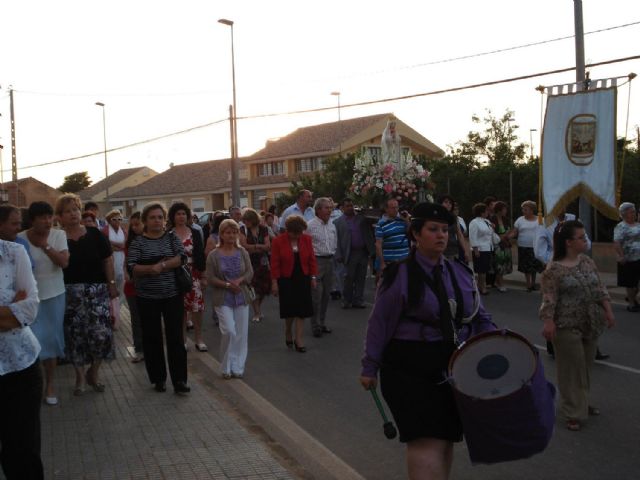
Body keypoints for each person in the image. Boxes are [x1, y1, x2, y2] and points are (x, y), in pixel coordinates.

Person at [360, 202, 495, 480]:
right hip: (409, 367)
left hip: (451, 365)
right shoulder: (399, 274)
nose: (441, 236)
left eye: (445, 230)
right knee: (426, 440)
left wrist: (499, 345)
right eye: (433, 229)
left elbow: (478, 316)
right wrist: (370, 366)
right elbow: (380, 322)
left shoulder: (458, 272)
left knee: (445, 438)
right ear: (416, 234)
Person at [540, 220, 615, 431]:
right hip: (566, 325)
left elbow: (600, 288)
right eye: (581, 237)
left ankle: (581, 402)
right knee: (571, 369)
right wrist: (548, 322)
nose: (585, 241)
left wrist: (608, 311)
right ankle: (573, 411)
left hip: (591, 322)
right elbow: (548, 298)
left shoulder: (587, 262)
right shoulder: (553, 269)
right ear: (569, 242)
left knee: (585, 367)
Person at [127, 203, 190, 395]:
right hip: (147, 298)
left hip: (172, 296)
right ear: (145, 221)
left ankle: (179, 380)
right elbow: (131, 266)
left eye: (160, 217)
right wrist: (148, 269)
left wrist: (161, 266)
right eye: (153, 217)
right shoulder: (138, 243)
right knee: (152, 338)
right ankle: (158, 379)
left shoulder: (171, 238)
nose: (157, 221)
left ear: (164, 220)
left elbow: (182, 257)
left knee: (175, 338)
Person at [57, 193, 116, 396]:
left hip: (97, 291)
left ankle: (94, 372)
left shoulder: (95, 234)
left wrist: (111, 284)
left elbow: (107, 259)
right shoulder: (57, 238)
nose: (73, 214)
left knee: (101, 335)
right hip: (69, 293)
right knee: (75, 337)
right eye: (67, 211)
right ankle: (80, 377)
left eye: (75, 209)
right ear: (60, 216)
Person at [18, 202, 69, 406]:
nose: (48, 221)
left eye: (50, 217)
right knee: (31, 342)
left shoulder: (58, 235)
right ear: (32, 220)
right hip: (29, 299)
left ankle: (49, 385)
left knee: (51, 341)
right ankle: (32, 385)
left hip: (55, 295)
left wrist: (45, 245)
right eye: (42, 217)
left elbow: (64, 262)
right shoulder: (20, 238)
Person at [0, 237, 42, 480]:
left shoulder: (14, 253)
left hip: (20, 366)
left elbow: (29, 310)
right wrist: (8, 310)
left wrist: (17, 312)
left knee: (23, 454)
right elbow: (15, 314)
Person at [206, 219, 253, 378]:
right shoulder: (214, 255)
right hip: (223, 297)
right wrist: (227, 285)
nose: (231, 235)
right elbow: (210, 277)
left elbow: (249, 272)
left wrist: (239, 281)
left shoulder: (242, 252)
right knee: (229, 331)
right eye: (228, 232)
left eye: (234, 232)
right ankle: (225, 366)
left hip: (241, 295)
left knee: (241, 333)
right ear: (221, 235)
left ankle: (237, 366)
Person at [271, 215, 317, 352]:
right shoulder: (278, 241)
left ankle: (299, 339)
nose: (297, 236)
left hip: (303, 277)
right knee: (289, 310)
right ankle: (288, 331)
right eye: (294, 233)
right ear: (288, 230)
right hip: (286, 279)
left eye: (300, 232)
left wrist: (313, 277)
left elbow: (312, 260)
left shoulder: (307, 239)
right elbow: (275, 263)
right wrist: (274, 282)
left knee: (301, 310)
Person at [167, 202, 207, 351]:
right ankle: (183, 339)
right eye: (178, 214)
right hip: (175, 275)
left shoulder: (195, 232)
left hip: (193, 274)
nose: (181, 216)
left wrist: (204, 276)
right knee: (180, 309)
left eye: (184, 213)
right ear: (173, 216)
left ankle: (199, 339)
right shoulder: (169, 235)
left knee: (197, 308)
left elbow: (200, 255)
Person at [334, 198, 375, 309]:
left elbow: (374, 221)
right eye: (347, 206)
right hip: (349, 253)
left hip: (362, 252)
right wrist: (338, 254)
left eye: (351, 205)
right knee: (349, 278)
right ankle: (347, 300)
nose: (350, 208)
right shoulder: (337, 222)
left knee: (361, 277)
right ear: (342, 208)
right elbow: (336, 240)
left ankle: (358, 300)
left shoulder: (362, 219)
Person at [307, 198, 338, 337]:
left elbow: (335, 242)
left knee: (326, 295)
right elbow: (306, 247)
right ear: (318, 210)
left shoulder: (332, 224)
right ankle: (315, 326)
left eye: (330, 208)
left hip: (330, 261)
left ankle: (322, 322)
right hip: (316, 261)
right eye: (326, 208)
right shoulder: (310, 226)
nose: (329, 210)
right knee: (316, 296)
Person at [239, 208, 271, 322]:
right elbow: (244, 246)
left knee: (264, 288)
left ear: (253, 219)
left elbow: (268, 245)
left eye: (247, 220)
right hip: (249, 261)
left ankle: (258, 307)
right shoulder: (243, 230)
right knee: (251, 287)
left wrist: (254, 247)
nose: (245, 222)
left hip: (263, 262)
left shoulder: (263, 229)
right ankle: (257, 312)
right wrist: (260, 247)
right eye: (244, 220)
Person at [124, 212, 145, 362]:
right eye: (133, 224)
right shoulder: (130, 242)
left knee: (149, 319)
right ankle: (139, 349)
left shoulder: (152, 241)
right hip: (132, 286)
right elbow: (126, 263)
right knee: (136, 319)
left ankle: (150, 348)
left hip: (149, 286)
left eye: (138, 223)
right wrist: (127, 274)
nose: (135, 227)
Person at [613, 202, 640, 312]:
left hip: (639, 257)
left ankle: (631, 298)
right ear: (624, 214)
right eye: (631, 212)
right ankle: (632, 304)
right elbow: (617, 242)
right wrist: (621, 255)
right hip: (628, 259)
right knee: (631, 283)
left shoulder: (638, 225)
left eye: (634, 211)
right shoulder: (620, 227)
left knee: (637, 283)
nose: (634, 213)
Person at [513, 200, 544, 291]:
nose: (523, 211)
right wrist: (507, 237)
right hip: (523, 245)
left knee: (534, 266)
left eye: (525, 209)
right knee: (526, 267)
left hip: (535, 246)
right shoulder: (520, 219)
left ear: (531, 210)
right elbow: (515, 232)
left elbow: (544, 231)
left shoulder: (540, 219)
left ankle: (533, 283)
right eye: (523, 209)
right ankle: (528, 284)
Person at [375, 198, 411, 275]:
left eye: (397, 207)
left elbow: (410, 233)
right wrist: (382, 263)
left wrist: (407, 220)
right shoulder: (381, 224)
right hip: (390, 263)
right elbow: (378, 245)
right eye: (393, 208)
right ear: (386, 209)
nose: (396, 210)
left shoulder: (402, 220)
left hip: (405, 261)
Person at [469, 202, 498, 295]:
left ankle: (478, 286)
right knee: (481, 270)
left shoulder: (487, 221)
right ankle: (483, 287)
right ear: (481, 212)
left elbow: (490, 234)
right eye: (486, 211)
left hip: (488, 248)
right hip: (480, 249)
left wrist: (493, 227)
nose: (488, 212)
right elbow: (472, 236)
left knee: (485, 269)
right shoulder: (474, 222)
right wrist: (475, 249)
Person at [437, 195, 469, 263]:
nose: (448, 204)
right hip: (439, 249)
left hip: (453, 249)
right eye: (446, 202)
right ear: (440, 203)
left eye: (450, 203)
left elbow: (460, 235)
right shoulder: (436, 217)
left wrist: (465, 251)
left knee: (452, 271)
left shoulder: (454, 218)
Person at [492, 201, 513, 292]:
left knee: (504, 264)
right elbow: (492, 233)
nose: (506, 211)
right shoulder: (492, 219)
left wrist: (507, 235)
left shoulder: (506, 219)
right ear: (499, 210)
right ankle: (501, 284)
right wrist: (502, 236)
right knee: (499, 264)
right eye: (504, 209)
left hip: (506, 244)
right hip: (498, 245)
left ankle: (497, 282)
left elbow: (510, 230)